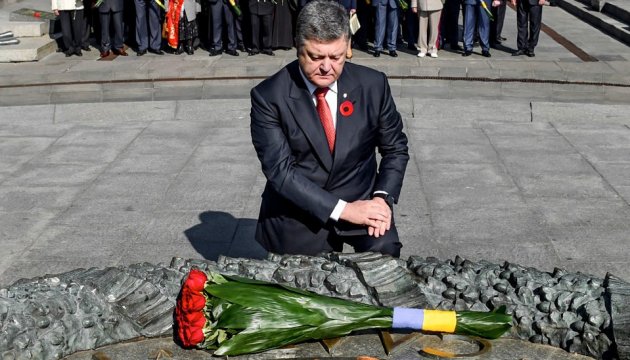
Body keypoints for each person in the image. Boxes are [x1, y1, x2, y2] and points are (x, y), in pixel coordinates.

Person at [250, 0, 409, 257]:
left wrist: (381, 199)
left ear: (347, 46)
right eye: (316, 57)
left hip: (362, 198)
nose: (326, 67)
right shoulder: (269, 97)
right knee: (303, 286)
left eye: (336, 57)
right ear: (298, 47)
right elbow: (281, 173)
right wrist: (345, 210)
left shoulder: (373, 85)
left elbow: (396, 149)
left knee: (385, 261)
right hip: (299, 211)